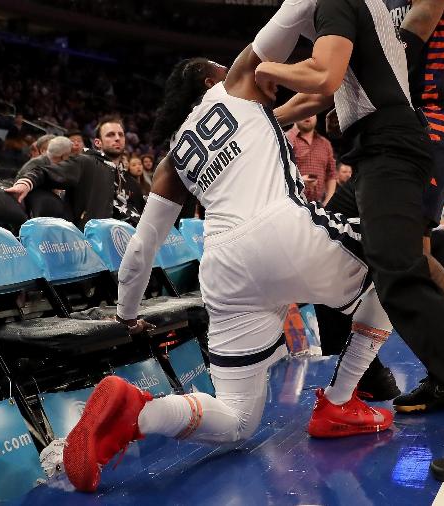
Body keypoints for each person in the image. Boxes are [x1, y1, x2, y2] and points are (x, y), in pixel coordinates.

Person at [59, 53, 400, 493]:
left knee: (238, 420)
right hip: (281, 236)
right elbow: (315, 93)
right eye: (222, 68)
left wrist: (126, 314)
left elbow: (142, 246)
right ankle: (339, 400)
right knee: (395, 272)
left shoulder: (173, 159)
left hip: (225, 268)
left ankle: (138, 412)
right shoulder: (244, 102)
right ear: (209, 81)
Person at [253, 0, 444, 483]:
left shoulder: (343, 9)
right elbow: (331, 81)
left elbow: (358, 60)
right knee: (341, 245)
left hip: (426, 119)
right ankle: (379, 375)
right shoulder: (356, 12)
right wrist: (263, 121)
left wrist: (278, 69)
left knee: (404, 272)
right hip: (379, 133)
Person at [4, 117, 146, 228]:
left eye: (120, 135)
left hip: (132, 242)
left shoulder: (131, 181)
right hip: (96, 242)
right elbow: (44, 172)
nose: (117, 138)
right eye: (110, 135)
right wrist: (25, 183)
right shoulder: (85, 163)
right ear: (98, 143)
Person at [286, 115, 337, 205]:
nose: (308, 116)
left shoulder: (325, 144)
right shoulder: (286, 139)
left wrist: (328, 202)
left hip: (319, 206)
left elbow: (331, 175)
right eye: (304, 112)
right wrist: (300, 182)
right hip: (291, 203)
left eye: (312, 113)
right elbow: (279, 171)